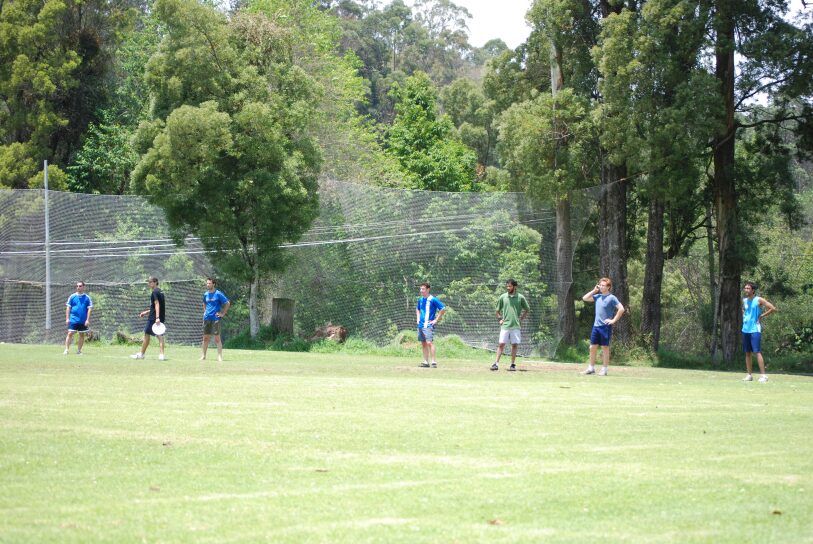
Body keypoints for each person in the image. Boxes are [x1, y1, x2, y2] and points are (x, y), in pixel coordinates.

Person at [581, 277, 625, 376]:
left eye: (603, 285)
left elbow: (621, 309)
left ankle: (604, 370)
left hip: (605, 327)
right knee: (592, 347)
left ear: (608, 287)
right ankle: (591, 368)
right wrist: (594, 290)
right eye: (600, 285)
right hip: (596, 326)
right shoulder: (597, 297)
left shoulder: (612, 298)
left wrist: (613, 320)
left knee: (605, 347)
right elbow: (585, 298)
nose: (601, 287)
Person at [491, 279, 530, 371]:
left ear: (515, 287)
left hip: (515, 326)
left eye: (510, 286)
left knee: (514, 345)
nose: (508, 288)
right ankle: (496, 364)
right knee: (501, 344)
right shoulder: (503, 297)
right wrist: (500, 319)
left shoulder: (520, 297)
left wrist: (521, 319)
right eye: (507, 286)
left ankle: (512, 364)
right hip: (505, 326)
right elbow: (497, 311)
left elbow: (527, 309)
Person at [741, 281, 777, 383]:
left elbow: (772, 308)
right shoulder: (744, 300)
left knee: (757, 352)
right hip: (745, 329)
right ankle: (749, 375)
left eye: (748, 288)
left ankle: (763, 375)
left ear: (753, 290)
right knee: (747, 353)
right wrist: (744, 315)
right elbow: (744, 310)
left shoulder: (758, 300)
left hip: (755, 329)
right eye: (745, 288)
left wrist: (761, 316)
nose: (746, 290)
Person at [131, 276, 166, 361]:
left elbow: (157, 304)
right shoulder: (160, 291)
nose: (149, 284)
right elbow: (155, 306)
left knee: (147, 335)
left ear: (155, 282)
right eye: (148, 282)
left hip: (154, 318)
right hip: (159, 317)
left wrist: (156, 317)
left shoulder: (154, 292)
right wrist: (146, 312)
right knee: (159, 336)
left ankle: (142, 354)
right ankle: (161, 355)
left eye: (150, 282)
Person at [416, 282, 446, 368]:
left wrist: (436, 320)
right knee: (423, 343)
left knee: (429, 342)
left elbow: (443, 308)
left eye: (423, 289)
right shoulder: (421, 299)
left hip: (428, 325)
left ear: (428, 289)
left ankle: (433, 362)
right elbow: (417, 309)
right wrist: (418, 319)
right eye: (420, 289)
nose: (421, 291)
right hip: (421, 325)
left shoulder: (433, 299)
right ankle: (425, 362)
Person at [200, 277, 230, 362]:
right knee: (205, 338)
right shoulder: (205, 294)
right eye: (207, 283)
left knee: (217, 338)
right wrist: (205, 313)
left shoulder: (218, 294)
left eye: (209, 283)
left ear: (213, 284)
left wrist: (222, 313)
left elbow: (227, 303)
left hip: (216, 319)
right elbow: (204, 303)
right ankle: (203, 356)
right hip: (207, 318)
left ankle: (220, 357)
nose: (208, 285)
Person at [64, 281, 93, 355]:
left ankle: (79, 351)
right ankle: (66, 350)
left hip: (82, 320)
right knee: (70, 333)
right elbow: (68, 308)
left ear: (83, 287)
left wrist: (87, 320)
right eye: (77, 286)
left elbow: (89, 309)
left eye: (80, 286)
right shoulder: (72, 296)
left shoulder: (87, 298)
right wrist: (67, 318)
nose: (78, 287)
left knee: (81, 335)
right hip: (73, 319)